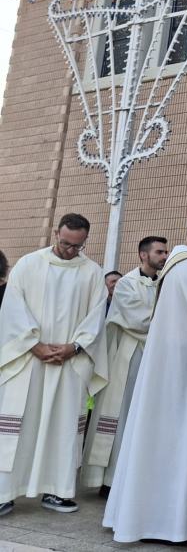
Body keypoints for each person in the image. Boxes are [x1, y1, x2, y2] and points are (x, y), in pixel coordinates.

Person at [104, 213, 187, 543]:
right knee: (178, 440)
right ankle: (169, 522)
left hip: (173, 367)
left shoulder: (180, 265)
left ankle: (146, 515)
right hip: (182, 372)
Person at [0, 214, 107, 517]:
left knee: (61, 427)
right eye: (65, 243)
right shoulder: (28, 264)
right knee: (19, 425)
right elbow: (11, 310)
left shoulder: (91, 273)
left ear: (85, 241)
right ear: (55, 233)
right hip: (29, 360)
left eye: (77, 246)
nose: (69, 250)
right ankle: (5, 493)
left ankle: (57, 491)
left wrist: (73, 347)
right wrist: (35, 345)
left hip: (68, 364)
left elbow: (96, 317)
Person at [82, 236, 169, 496]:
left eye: (166, 252)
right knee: (121, 419)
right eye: (160, 251)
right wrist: (169, 321)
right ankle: (110, 480)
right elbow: (139, 320)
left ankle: (137, 479)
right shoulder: (126, 284)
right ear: (144, 255)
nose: (165, 256)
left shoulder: (167, 282)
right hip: (129, 359)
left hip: (156, 358)